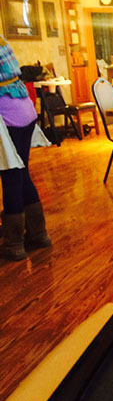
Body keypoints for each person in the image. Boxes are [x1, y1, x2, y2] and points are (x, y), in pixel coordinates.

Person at [0, 35, 52, 260]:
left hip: (7, 114)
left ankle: (14, 244)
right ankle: (39, 234)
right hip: (23, 110)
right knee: (21, 172)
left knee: (11, 174)